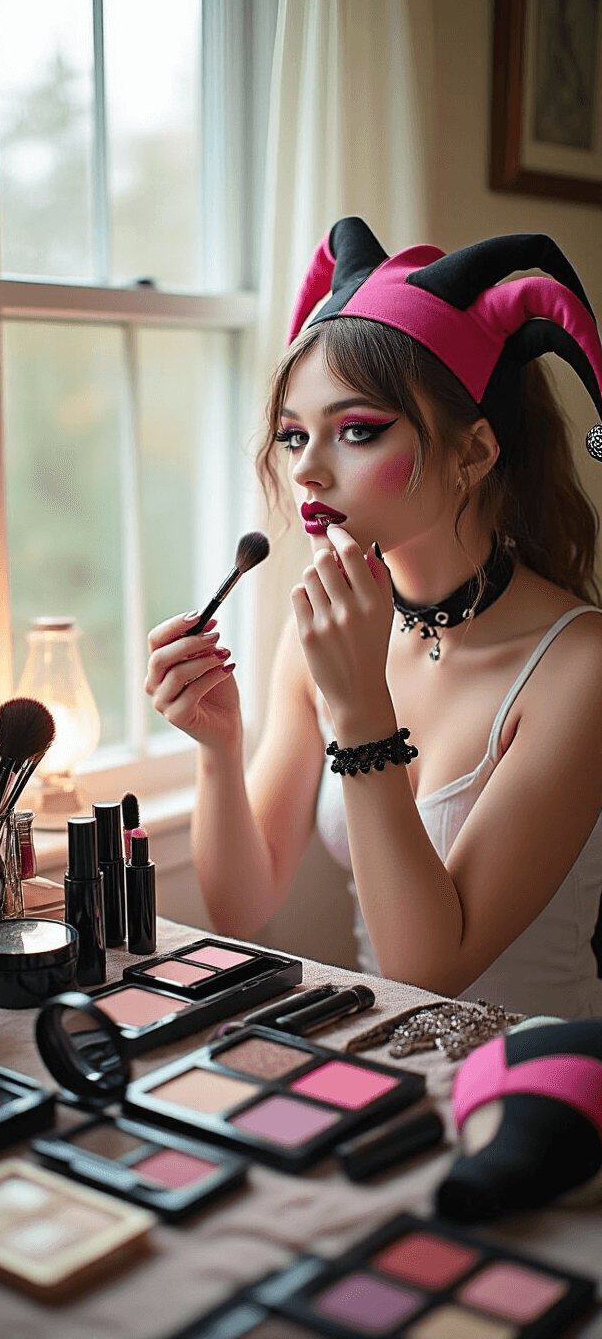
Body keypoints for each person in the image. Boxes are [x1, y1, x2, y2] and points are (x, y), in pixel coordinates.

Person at [145, 219, 602, 1017]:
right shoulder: (328, 630)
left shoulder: (580, 665)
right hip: (389, 1070)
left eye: (357, 430)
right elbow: (243, 907)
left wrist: (359, 709)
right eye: (294, 436)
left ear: (475, 452)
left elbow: (427, 969)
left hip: (542, 1089)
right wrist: (218, 746)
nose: (310, 469)